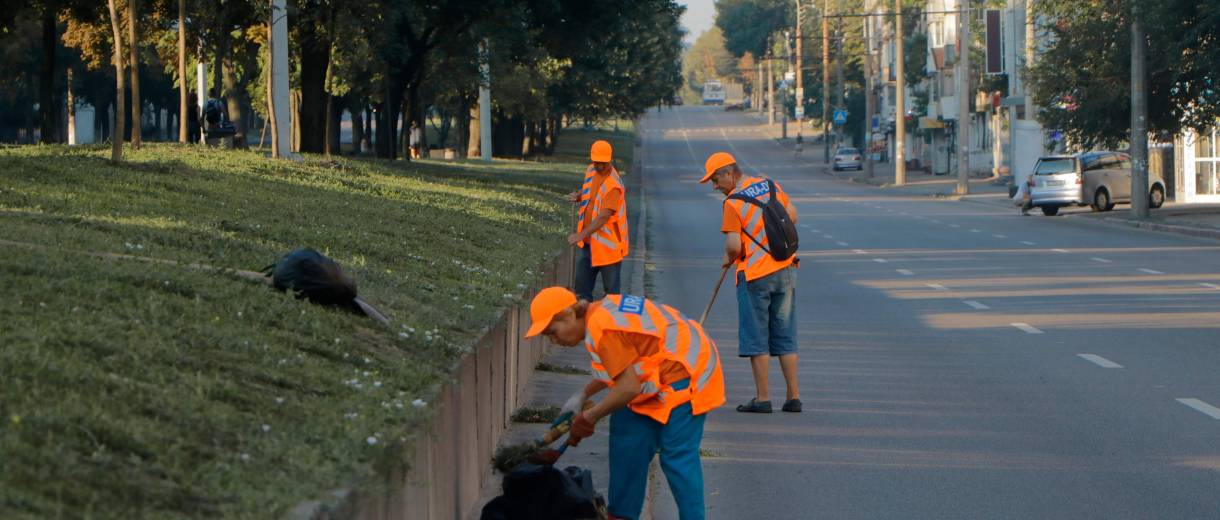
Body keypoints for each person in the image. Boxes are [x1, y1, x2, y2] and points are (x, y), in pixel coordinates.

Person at [525, 287, 725, 520]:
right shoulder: (599, 314)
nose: (554, 340)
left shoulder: (602, 327)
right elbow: (620, 368)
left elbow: (629, 388)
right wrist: (581, 395)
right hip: (658, 371)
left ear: (569, 315)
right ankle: (621, 515)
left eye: (553, 332)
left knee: (677, 456)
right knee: (627, 440)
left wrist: (590, 417)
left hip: (688, 370)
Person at [700, 152, 802, 414]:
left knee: (757, 337)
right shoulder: (769, 185)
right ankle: (793, 397)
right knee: (785, 334)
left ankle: (763, 398)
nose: (714, 186)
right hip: (787, 268)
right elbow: (792, 215)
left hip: (756, 275)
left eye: (715, 179)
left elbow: (734, 246)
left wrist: (728, 258)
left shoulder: (733, 203)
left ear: (728, 173)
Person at [567, 140, 628, 302]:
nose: (599, 166)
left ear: (610, 160)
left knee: (612, 298)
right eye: (596, 162)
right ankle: (585, 325)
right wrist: (580, 195)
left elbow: (603, 217)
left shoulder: (614, 185)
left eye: (603, 163)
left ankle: (609, 325)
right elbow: (590, 190)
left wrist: (581, 235)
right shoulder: (590, 171)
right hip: (589, 244)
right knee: (581, 293)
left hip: (609, 249)